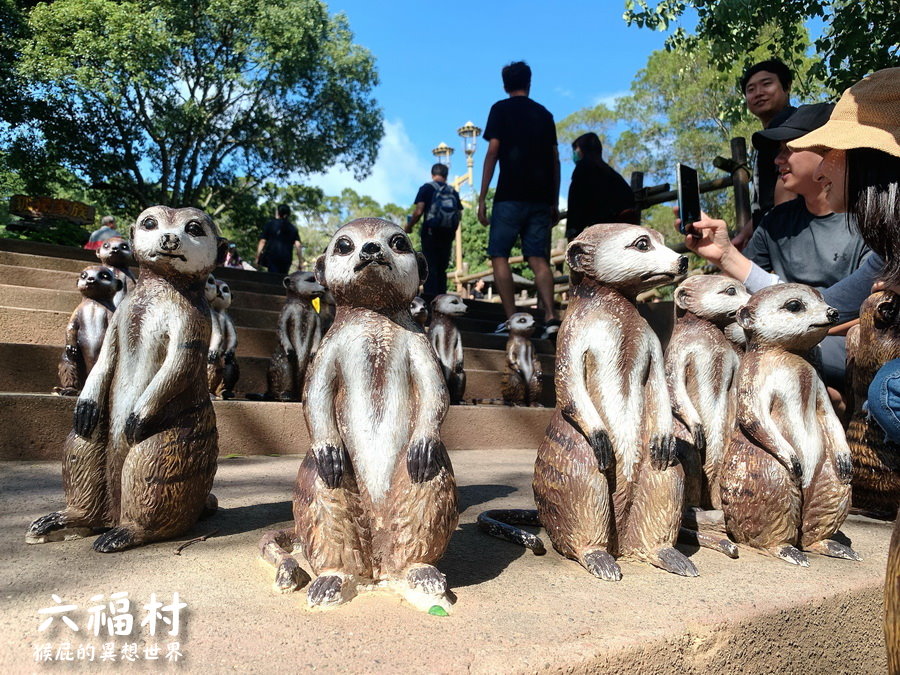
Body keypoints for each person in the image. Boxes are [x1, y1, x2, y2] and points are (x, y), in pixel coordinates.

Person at [681, 103, 870, 390]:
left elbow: (857, 310)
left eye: (788, 149)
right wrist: (723, 257)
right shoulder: (774, 222)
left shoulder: (867, 221)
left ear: (828, 152)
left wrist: (790, 331)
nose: (777, 160)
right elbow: (739, 293)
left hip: (836, 341)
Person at [788, 68, 900, 442]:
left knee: (889, 392)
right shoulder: (888, 251)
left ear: (871, 160)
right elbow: (828, 305)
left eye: (829, 152)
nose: (820, 170)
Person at [477, 61, 561, 337]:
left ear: (505, 84)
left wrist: (481, 197)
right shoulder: (545, 115)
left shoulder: (500, 110)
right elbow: (555, 160)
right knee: (538, 259)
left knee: (499, 254)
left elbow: (492, 152)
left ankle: (512, 318)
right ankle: (550, 317)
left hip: (509, 196)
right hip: (540, 198)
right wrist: (553, 201)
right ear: (529, 82)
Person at [732, 59, 797, 248]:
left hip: (790, 238)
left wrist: (778, 246)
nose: (758, 93)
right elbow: (768, 204)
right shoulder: (765, 140)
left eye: (767, 84)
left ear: (786, 87)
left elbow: (787, 198)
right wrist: (745, 234)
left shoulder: (794, 128)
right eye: (750, 89)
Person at [405, 163, 463, 300]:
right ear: (446, 176)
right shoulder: (452, 191)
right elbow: (458, 215)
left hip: (431, 233)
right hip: (447, 234)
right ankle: (442, 298)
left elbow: (419, 210)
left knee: (430, 266)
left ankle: (430, 299)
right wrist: (453, 231)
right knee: (442, 268)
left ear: (432, 174)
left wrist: (409, 226)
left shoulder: (427, 188)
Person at [565, 132, 636, 241]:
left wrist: (572, 232)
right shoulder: (611, 174)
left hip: (604, 234)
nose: (574, 153)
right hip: (624, 234)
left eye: (576, 149)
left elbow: (576, 202)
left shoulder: (582, 170)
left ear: (582, 150)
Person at [255, 204, 301, 275]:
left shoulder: (270, 224)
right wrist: (300, 262)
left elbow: (262, 241)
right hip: (286, 259)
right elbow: (298, 245)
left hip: (272, 257)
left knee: (272, 278)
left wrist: (257, 257)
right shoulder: (293, 228)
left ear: (278, 213)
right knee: (282, 279)